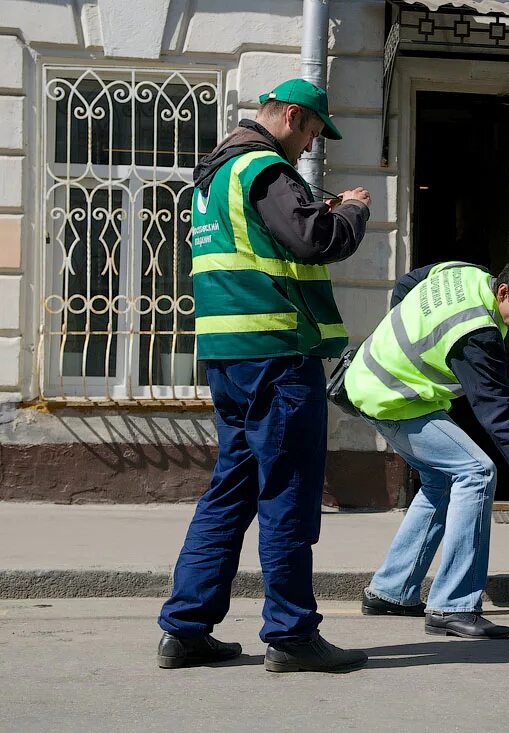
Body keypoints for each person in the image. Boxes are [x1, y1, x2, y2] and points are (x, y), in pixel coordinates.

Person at [156, 79, 372, 673]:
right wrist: (351, 211)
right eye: (310, 133)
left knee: (232, 489)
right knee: (289, 494)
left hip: (229, 358)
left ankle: (186, 628)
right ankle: (291, 634)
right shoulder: (266, 170)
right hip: (277, 358)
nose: (307, 148)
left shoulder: (213, 177)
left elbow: (263, 243)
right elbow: (314, 239)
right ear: (293, 118)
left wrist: (310, 209)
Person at [337, 258, 509, 639]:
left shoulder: (463, 272)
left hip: (372, 383)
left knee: (441, 481)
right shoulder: (477, 335)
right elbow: (503, 418)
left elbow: (408, 282)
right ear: (503, 292)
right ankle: (452, 605)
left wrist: (398, 336)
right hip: (391, 400)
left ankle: (391, 591)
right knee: (476, 471)